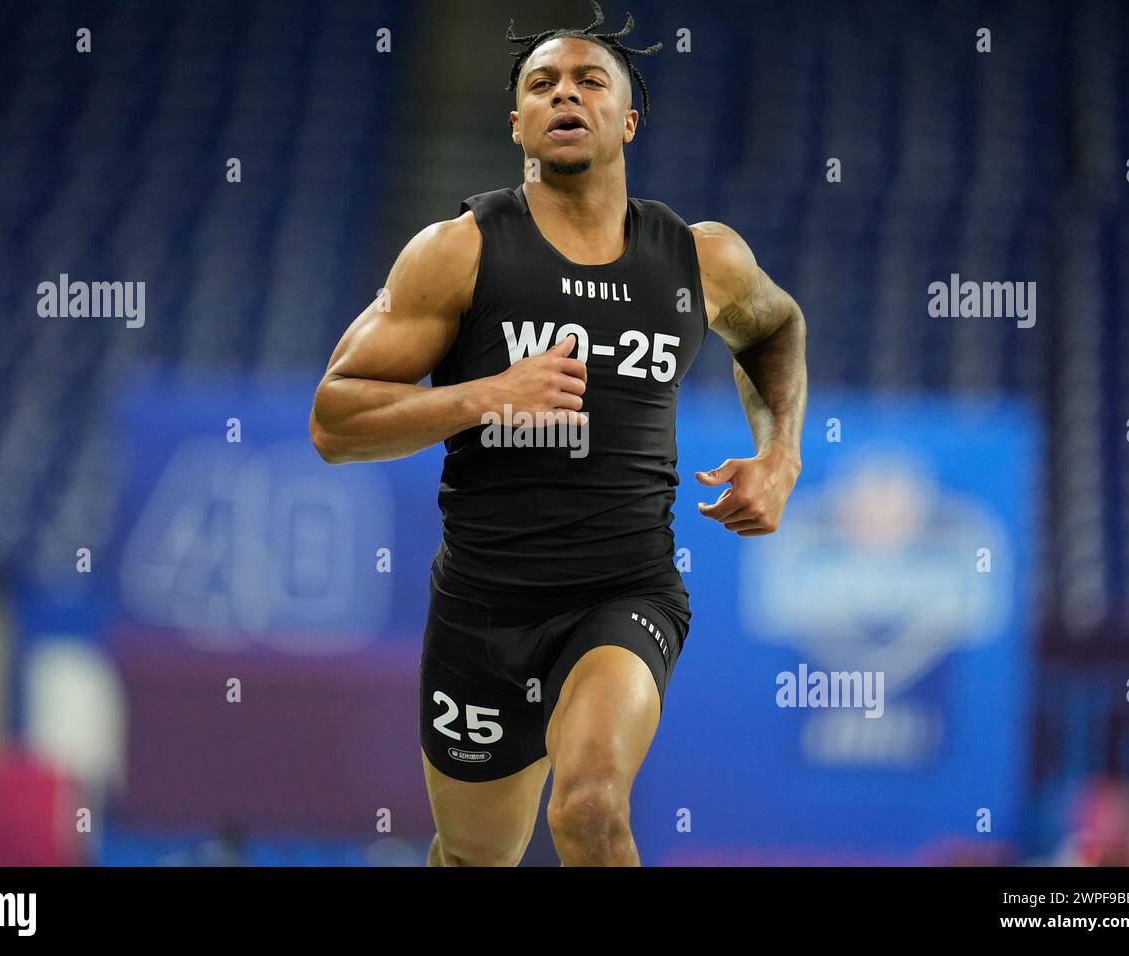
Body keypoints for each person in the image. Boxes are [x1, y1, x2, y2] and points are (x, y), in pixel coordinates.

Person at [310, 1, 807, 866]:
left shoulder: (699, 257)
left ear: (628, 118)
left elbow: (774, 329)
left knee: (587, 808)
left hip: (624, 593)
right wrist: (485, 396)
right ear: (517, 123)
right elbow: (333, 420)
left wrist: (780, 455)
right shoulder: (457, 251)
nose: (564, 94)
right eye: (542, 84)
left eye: (589, 81)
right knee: (475, 857)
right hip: (482, 610)